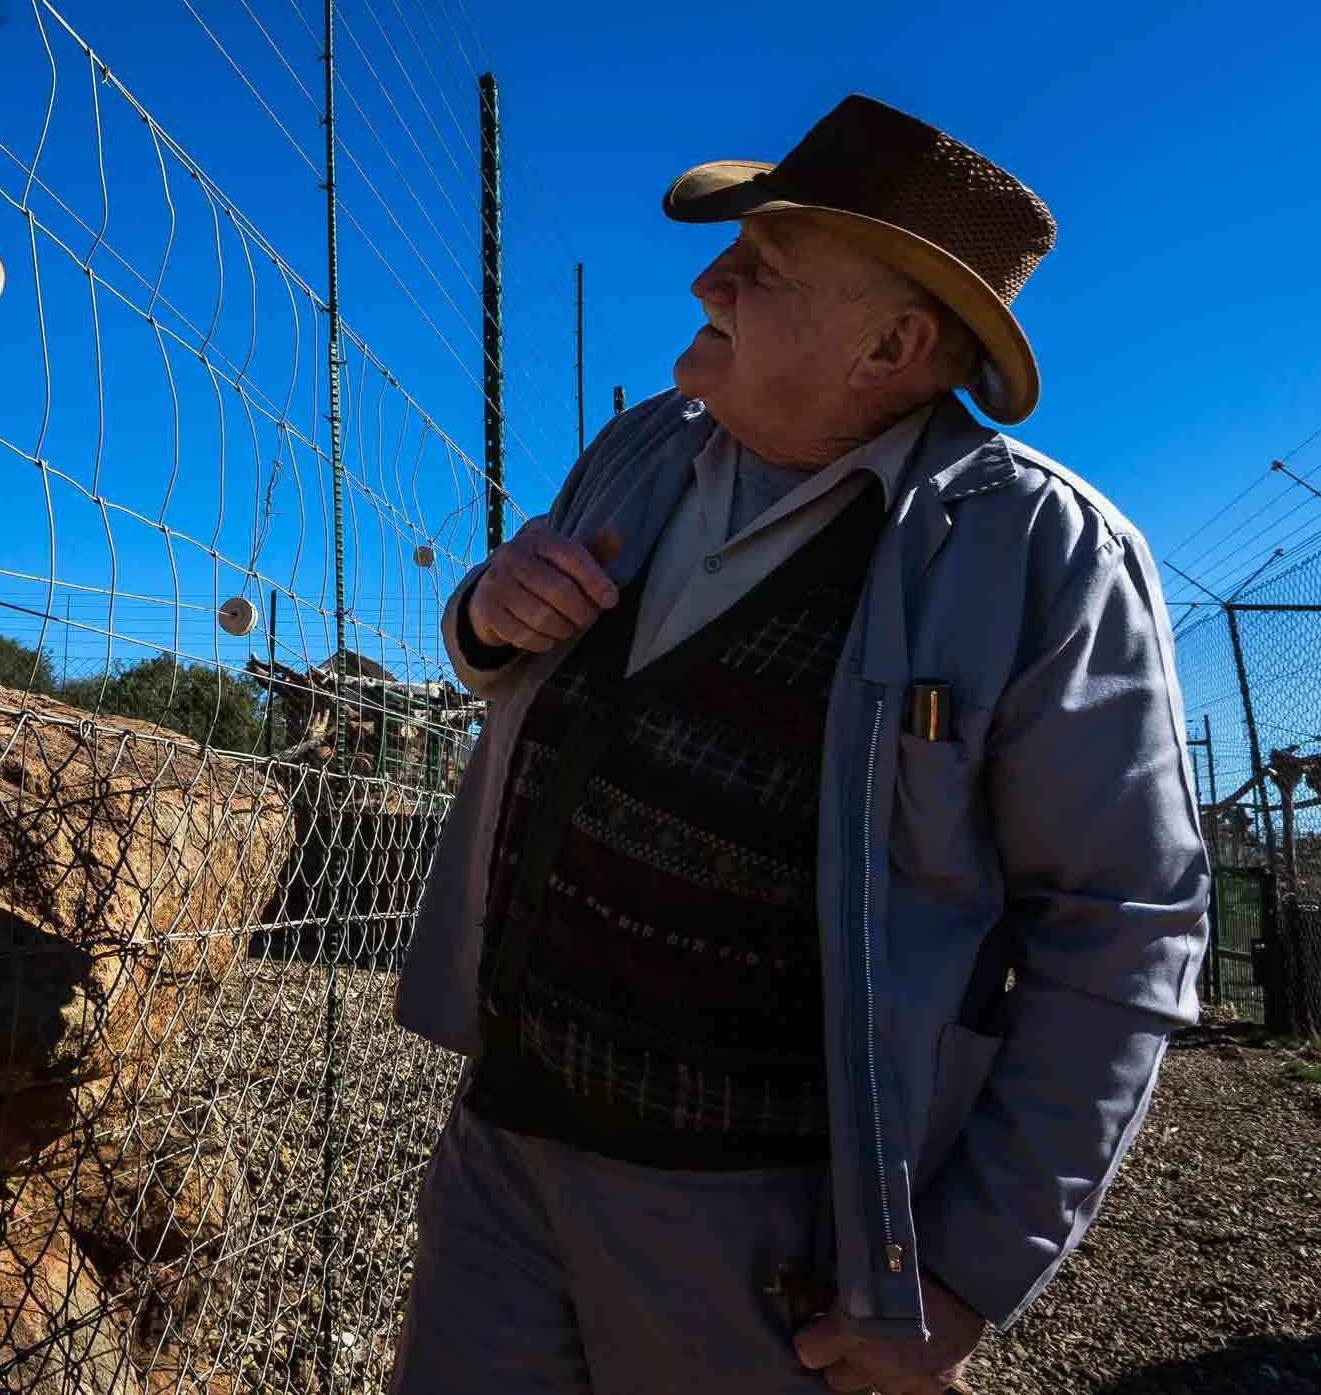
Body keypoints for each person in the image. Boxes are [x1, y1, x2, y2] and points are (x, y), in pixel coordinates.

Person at [388, 94, 1209, 1394]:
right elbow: (505, 654)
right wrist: (484, 615)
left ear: (892, 344)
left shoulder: (1041, 554)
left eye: (761, 267)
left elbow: (1123, 921)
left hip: (765, 1232)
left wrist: (961, 1273)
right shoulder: (643, 447)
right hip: (505, 1144)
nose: (708, 281)